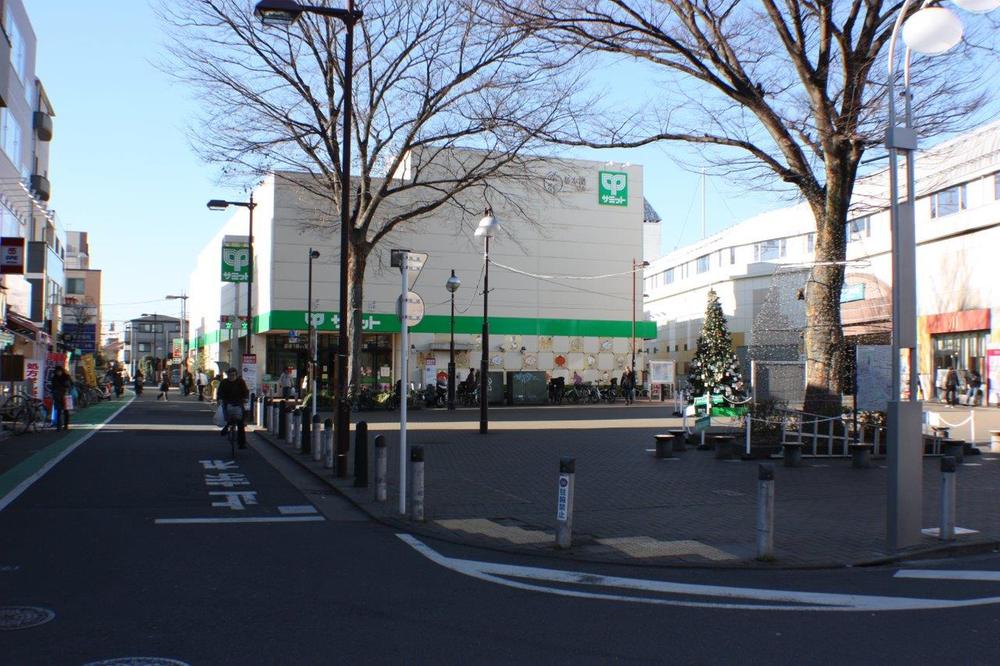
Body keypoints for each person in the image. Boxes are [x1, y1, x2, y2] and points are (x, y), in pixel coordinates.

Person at [217, 367, 250, 448]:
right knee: (225, 414)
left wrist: (245, 398)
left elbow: (245, 391)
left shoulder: (240, 381)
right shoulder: (224, 382)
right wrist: (220, 399)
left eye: (233, 375)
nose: (231, 377)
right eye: (230, 375)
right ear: (227, 375)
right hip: (227, 402)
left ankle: (242, 443)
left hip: (238, 402)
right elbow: (220, 392)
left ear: (236, 375)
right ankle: (227, 425)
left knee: (240, 423)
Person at [50, 366, 73, 430]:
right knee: (59, 411)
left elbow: (70, 384)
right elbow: (52, 386)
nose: (58, 372)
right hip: (58, 396)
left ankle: (66, 425)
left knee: (66, 411)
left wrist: (66, 387)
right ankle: (59, 426)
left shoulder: (66, 377)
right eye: (57, 371)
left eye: (59, 371)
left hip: (66, 395)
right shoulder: (54, 377)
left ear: (62, 371)